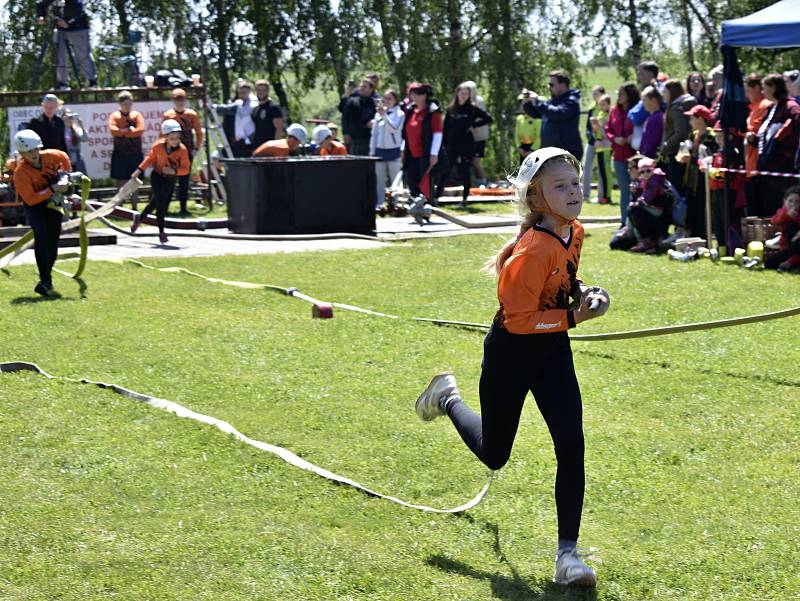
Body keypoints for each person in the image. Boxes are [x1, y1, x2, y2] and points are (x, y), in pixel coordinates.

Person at [414, 147, 609, 588]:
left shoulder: (573, 232)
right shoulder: (530, 250)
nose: (573, 191)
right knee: (495, 454)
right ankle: (446, 397)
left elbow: (563, 277)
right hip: (512, 353)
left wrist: (583, 293)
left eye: (575, 183)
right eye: (560, 186)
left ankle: (568, 556)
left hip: (552, 351)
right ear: (537, 198)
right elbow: (520, 320)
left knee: (571, 444)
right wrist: (577, 317)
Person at [11, 129, 72, 297]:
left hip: (53, 200)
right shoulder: (20, 173)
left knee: (53, 239)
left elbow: (64, 157)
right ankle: (45, 279)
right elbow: (30, 199)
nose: (34, 153)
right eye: (30, 151)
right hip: (35, 205)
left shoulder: (51, 155)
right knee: (41, 236)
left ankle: (47, 279)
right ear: (22, 153)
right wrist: (53, 188)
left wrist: (66, 175)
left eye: (36, 149)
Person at [130, 120, 190, 245]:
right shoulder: (158, 147)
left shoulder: (182, 150)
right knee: (161, 202)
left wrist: (174, 171)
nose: (175, 141)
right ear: (166, 137)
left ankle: (139, 218)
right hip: (157, 176)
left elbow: (186, 169)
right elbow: (150, 158)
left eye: (177, 138)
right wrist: (139, 170)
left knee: (155, 203)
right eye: (172, 138)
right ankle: (161, 232)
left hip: (170, 179)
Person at [755, 73, 800, 215]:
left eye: (764, 88)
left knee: (786, 206)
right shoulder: (771, 109)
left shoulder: (790, 106)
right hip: (768, 167)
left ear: (773, 87)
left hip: (784, 166)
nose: (762, 92)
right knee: (771, 206)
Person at [442, 82, 493, 206]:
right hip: (456, 142)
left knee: (474, 164)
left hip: (475, 138)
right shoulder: (452, 107)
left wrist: (474, 126)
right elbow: (446, 127)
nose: (464, 94)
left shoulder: (476, 103)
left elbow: (486, 118)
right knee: (451, 167)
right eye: (462, 92)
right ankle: (438, 195)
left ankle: (482, 182)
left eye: (467, 92)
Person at [35, 0, 97, 89]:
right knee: (59, 55)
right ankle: (62, 83)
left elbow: (78, 10)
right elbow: (41, 4)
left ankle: (92, 81)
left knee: (83, 55)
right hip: (60, 29)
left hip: (78, 28)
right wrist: (41, 16)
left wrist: (68, 22)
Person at [161, 88, 203, 217]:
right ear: (173, 100)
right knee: (169, 180)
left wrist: (196, 148)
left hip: (187, 151)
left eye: (182, 99)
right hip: (172, 152)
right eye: (177, 100)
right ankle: (165, 208)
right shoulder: (168, 115)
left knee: (184, 180)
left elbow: (199, 132)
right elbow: (162, 134)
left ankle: (183, 208)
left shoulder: (191, 114)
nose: (179, 102)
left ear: (185, 100)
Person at [522, 71, 582, 160]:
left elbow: (557, 113)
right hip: (550, 152)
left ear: (562, 85)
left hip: (567, 152)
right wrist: (528, 103)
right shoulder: (552, 101)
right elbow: (536, 113)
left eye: (551, 84)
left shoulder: (571, 101)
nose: (548, 87)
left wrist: (537, 101)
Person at [678, 105, 717, 237]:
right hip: (691, 180)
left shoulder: (711, 137)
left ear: (700, 119)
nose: (690, 121)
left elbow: (711, 159)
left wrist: (692, 160)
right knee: (692, 210)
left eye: (692, 118)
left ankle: (704, 238)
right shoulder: (693, 135)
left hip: (703, 181)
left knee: (703, 211)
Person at [401, 82, 444, 201]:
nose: (414, 97)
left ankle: (426, 210)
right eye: (413, 94)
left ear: (425, 95)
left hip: (426, 154)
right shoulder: (410, 110)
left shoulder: (433, 111)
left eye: (418, 94)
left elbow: (438, 133)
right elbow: (406, 132)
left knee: (426, 185)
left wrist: (434, 154)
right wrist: (403, 149)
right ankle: (416, 209)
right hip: (411, 155)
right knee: (412, 182)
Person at [606, 83, 639, 223]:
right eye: (618, 92)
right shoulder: (614, 111)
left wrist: (632, 136)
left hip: (635, 157)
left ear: (630, 95)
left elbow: (641, 127)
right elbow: (608, 129)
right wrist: (615, 139)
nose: (618, 96)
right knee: (624, 191)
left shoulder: (637, 110)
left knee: (636, 190)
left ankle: (636, 222)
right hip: (618, 156)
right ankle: (625, 223)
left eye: (622, 93)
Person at [658, 79, 696, 196]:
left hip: (676, 154)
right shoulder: (688, 103)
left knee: (676, 191)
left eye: (665, 91)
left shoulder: (676, 108)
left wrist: (665, 147)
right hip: (686, 152)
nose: (663, 94)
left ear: (671, 92)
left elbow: (681, 132)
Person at [108, 90, 144, 210]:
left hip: (135, 153)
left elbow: (140, 130)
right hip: (120, 153)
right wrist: (128, 131)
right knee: (120, 181)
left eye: (129, 104)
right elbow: (113, 131)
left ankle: (134, 207)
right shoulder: (115, 116)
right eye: (125, 104)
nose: (127, 106)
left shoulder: (136, 115)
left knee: (134, 180)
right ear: (120, 104)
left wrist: (122, 132)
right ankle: (119, 207)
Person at [627, 157, 673, 253]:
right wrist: (636, 192)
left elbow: (647, 198)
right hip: (653, 210)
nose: (645, 174)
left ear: (653, 170)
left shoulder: (655, 180)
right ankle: (643, 240)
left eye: (648, 171)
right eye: (642, 172)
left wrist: (637, 201)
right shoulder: (644, 181)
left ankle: (646, 242)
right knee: (633, 209)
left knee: (633, 209)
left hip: (659, 213)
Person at [369, 89, 405, 211]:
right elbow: (374, 134)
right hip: (379, 151)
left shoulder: (400, 114)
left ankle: (396, 204)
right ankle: (379, 204)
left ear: (395, 100)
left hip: (394, 150)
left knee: (395, 180)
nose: (387, 101)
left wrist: (385, 116)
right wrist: (372, 151)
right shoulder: (378, 114)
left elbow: (394, 129)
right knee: (379, 180)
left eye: (390, 98)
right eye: (385, 98)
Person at [743, 74, 772, 217]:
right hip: (750, 165)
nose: (746, 94)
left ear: (757, 88)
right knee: (753, 210)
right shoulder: (752, 108)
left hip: (759, 166)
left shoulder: (765, 105)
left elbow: (759, 134)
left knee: (763, 210)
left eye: (747, 90)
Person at [215, 81, 257, 158]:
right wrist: (213, 107)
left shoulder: (254, 105)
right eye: (240, 93)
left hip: (248, 142)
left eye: (244, 93)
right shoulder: (239, 103)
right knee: (220, 156)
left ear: (249, 92)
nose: (241, 95)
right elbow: (226, 109)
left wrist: (249, 140)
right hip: (238, 142)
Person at [461, 80, 491, 186]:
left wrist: (473, 126)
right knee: (469, 161)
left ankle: (483, 181)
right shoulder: (464, 102)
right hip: (470, 137)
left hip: (480, 136)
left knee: (476, 162)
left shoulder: (478, 101)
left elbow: (481, 118)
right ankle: (477, 181)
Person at [628, 61, 661, 150]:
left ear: (651, 74)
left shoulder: (655, 91)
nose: (639, 77)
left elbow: (637, 117)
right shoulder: (646, 90)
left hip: (652, 145)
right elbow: (631, 114)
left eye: (641, 74)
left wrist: (631, 114)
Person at [338, 78, 377, 156]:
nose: (362, 88)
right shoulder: (352, 101)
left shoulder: (374, 103)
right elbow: (343, 113)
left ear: (371, 89)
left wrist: (374, 121)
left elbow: (380, 117)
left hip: (369, 138)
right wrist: (345, 133)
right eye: (361, 86)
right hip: (354, 138)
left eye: (365, 87)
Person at [766, 185, 800, 271]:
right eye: (790, 201)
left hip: (797, 247)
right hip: (787, 249)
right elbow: (775, 221)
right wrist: (787, 215)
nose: (793, 204)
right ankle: (790, 263)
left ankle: (791, 263)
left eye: (797, 202)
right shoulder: (782, 212)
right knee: (769, 262)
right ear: (784, 201)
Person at [582, 85, 605, 201]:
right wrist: (592, 140)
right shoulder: (591, 108)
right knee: (586, 167)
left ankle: (601, 195)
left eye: (596, 94)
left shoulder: (606, 108)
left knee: (602, 169)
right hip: (592, 143)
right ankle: (585, 195)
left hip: (603, 144)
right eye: (593, 94)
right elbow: (588, 128)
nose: (594, 96)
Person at [589, 94, 611, 204]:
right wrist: (595, 128)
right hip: (600, 148)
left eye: (604, 104)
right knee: (602, 173)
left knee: (607, 173)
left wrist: (598, 126)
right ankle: (603, 196)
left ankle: (607, 196)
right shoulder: (600, 114)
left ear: (608, 105)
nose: (601, 106)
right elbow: (597, 133)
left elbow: (607, 133)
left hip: (606, 147)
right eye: (600, 104)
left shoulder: (609, 116)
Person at [251, 80, 285, 149]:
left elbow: (279, 128)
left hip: (269, 148)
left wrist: (275, 146)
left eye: (263, 90)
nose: (261, 92)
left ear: (268, 91)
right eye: (259, 90)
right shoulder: (255, 109)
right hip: (257, 147)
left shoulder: (273, 107)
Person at [639, 86, 664, 159]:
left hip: (650, 160)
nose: (643, 104)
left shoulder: (656, 118)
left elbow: (651, 143)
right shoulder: (651, 117)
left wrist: (643, 156)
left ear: (653, 100)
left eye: (645, 100)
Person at [515, 90, 540, 162]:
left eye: (523, 102)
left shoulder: (537, 119)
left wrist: (532, 150)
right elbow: (516, 135)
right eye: (520, 103)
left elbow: (538, 136)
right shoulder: (519, 118)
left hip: (534, 149)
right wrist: (519, 147)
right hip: (522, 149)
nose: (522, 105)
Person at [62, 108, 87, 174]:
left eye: (71, 117)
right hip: (65, 159)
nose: (70, 119)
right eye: (68, 117)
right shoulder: (60, 129)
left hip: (77, 160)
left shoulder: (76, 129)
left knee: (79, 182)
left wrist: (81, 126)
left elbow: (85, 139)